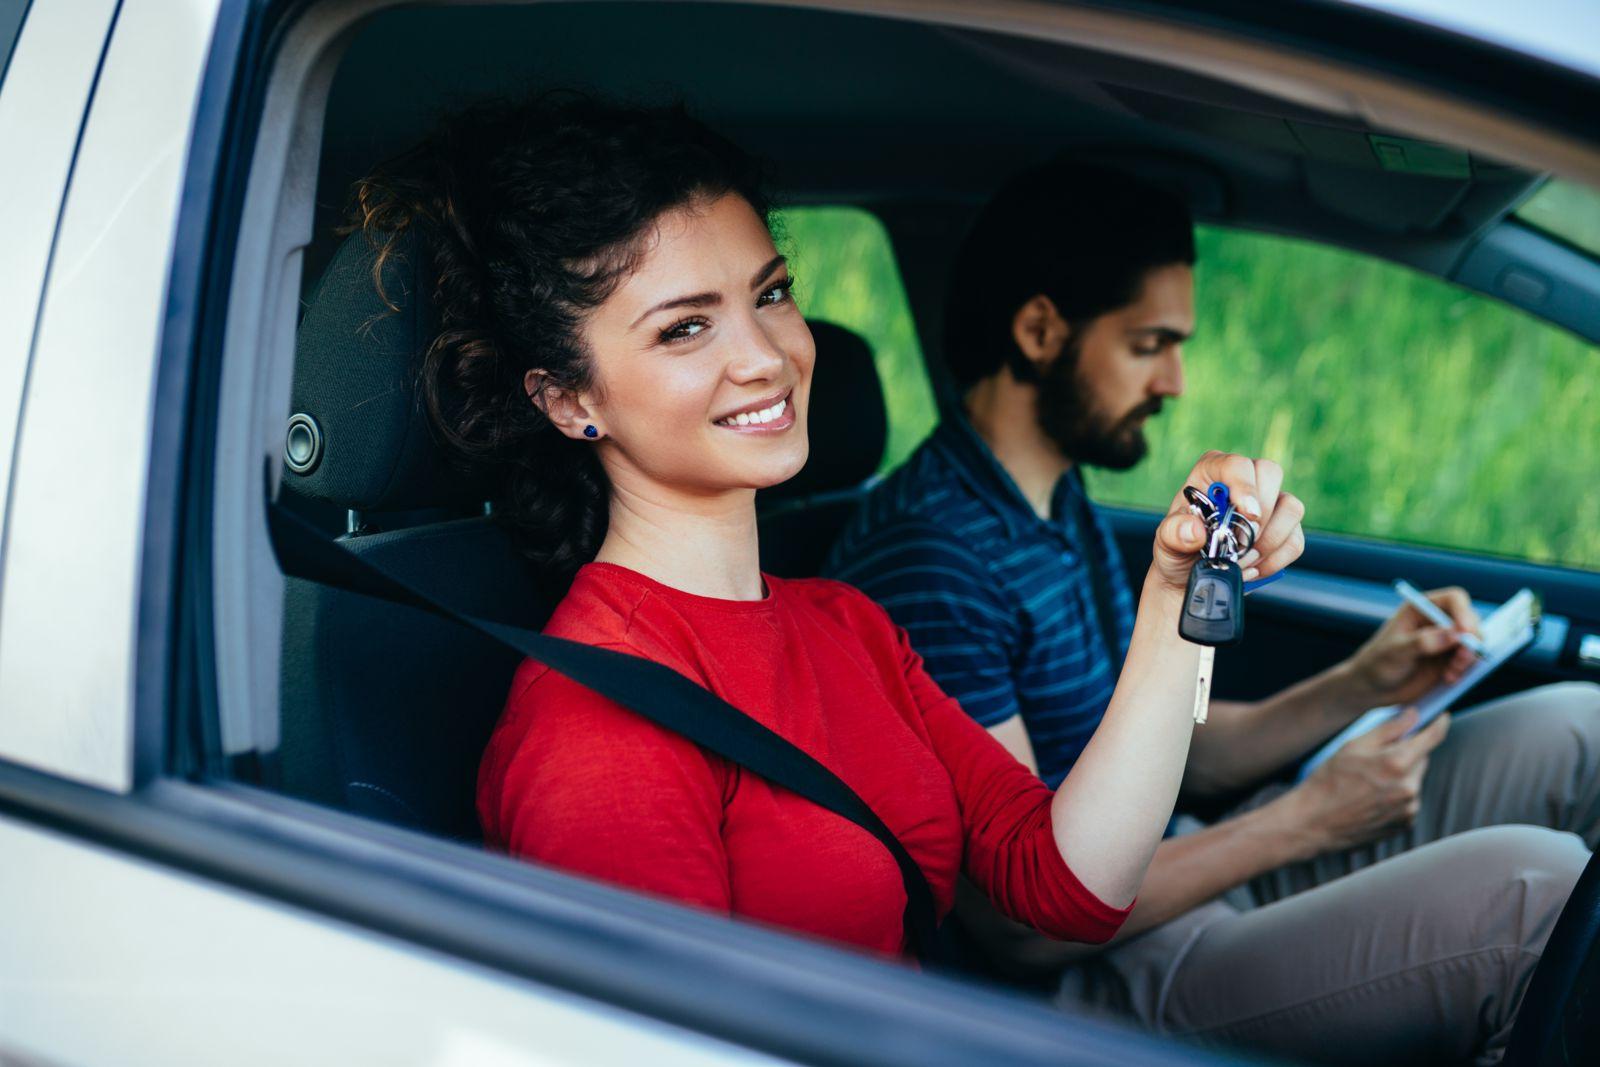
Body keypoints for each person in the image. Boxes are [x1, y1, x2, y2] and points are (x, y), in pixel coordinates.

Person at [342, 96, 1302, 961]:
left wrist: (1174, 595)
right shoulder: (595, 725)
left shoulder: (849, 626)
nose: (767, 356)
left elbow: (1065, 881)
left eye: (769, 293)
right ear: (568, 400)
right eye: (685, 328)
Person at [824, 161, 1600, 1061]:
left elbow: (1168, 753)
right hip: (1093, 973)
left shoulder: (1050, 501)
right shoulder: (932, 559)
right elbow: (1023, 926)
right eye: (1150, 343)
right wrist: (1302, 823)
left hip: (1188, 860)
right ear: (1040, 331)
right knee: (1534, 899)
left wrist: (1364, 682)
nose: (1178, 381)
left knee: (1583, 728)